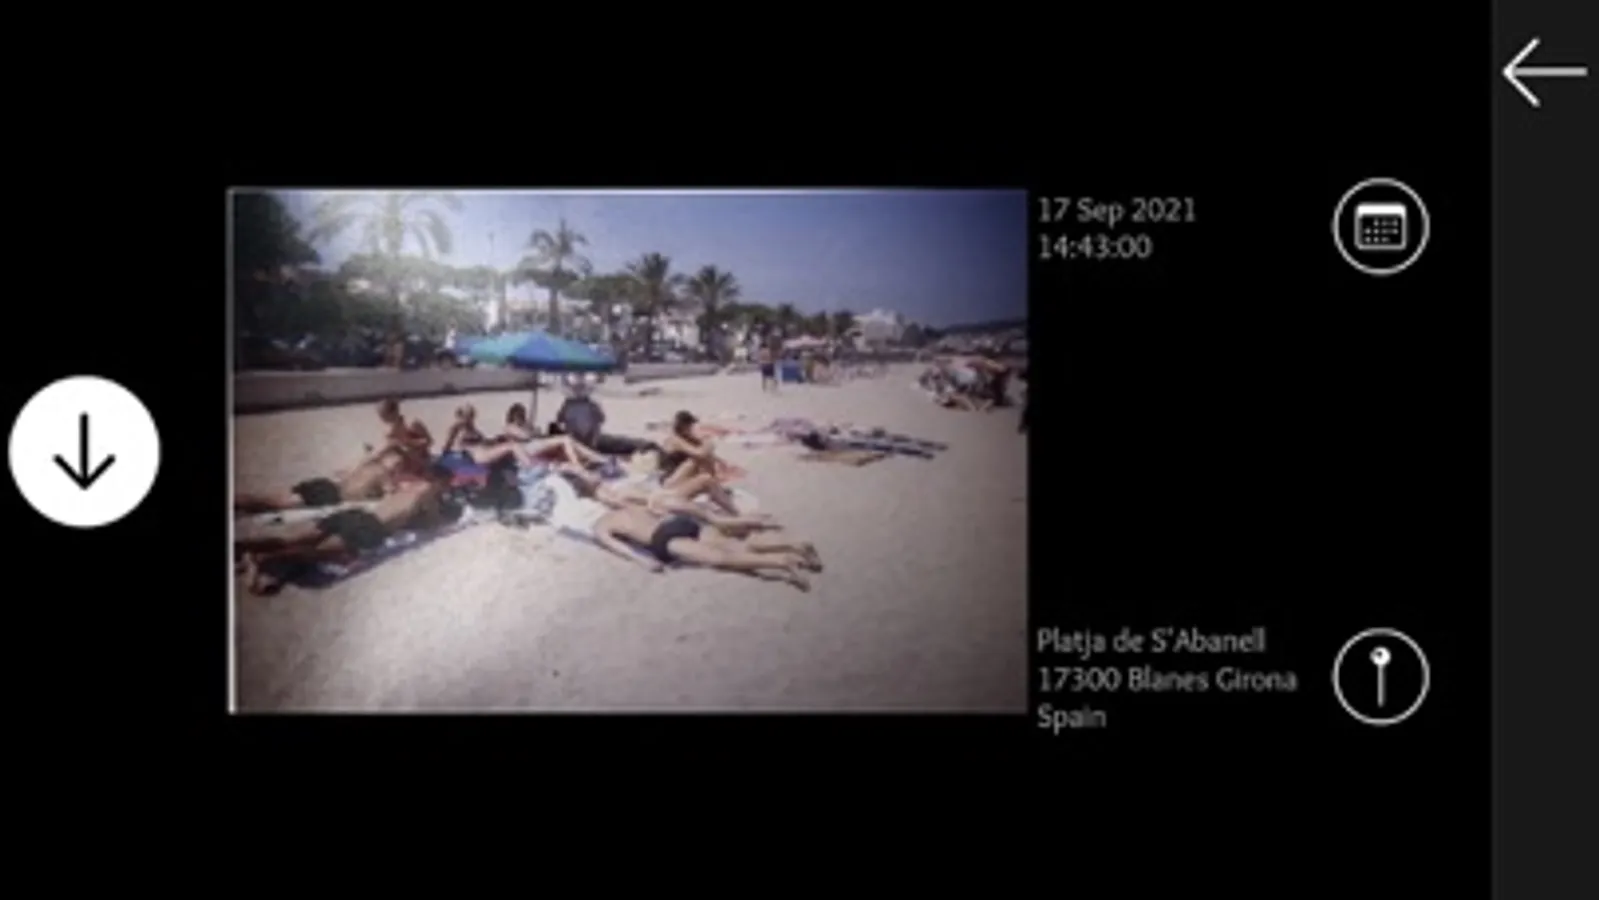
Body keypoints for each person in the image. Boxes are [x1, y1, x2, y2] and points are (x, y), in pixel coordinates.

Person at [235, 464, 458, 595]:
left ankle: (243, 548)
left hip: (354, 515)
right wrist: (442, 518)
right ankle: (260, 559)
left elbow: (394, 499)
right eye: (447, 484)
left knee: (300, 540)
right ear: (441, 481)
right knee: (319, 553)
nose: (446, 488)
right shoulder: (428, 493)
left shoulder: (408, 485)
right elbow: (434, 522)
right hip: (369, 528)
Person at [584, 499, 815, 590]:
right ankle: (793, 546)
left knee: (721, 559)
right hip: (679, 522)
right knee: (736, 546)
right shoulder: (626, 504)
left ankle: (782, 562)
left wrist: (643, 561)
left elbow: (619, 548)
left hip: (664, 538)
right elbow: (660, 508)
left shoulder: (601, 524)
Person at [657, 410, 737, 490]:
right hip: (669, 479)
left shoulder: (686, 438)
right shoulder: (675, 440)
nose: (691, 429)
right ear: (683, 426)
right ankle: (714, 485)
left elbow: (703, 451)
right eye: (689, 426)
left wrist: (719, 461)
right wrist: (707, 443)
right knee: (696, 460)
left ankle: (714, 485)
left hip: (680, 475)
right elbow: (699, 453)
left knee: (705, 458)